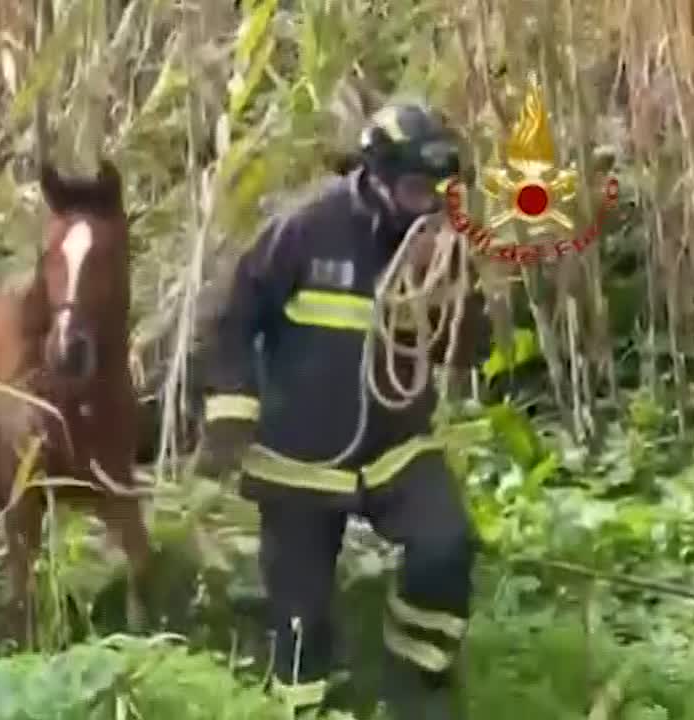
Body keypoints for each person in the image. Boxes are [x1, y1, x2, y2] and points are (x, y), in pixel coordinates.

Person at [193, 102, 492, 719]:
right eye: (414, 189)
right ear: (376, 177)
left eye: (437, 193)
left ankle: (416, 684)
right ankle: (303, 707)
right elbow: (229, 319)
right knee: (301, 628)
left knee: (447, 544)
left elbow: (471, 348)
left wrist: (441, 293)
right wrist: (232, 408)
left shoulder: (440, 247)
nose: (426, 206)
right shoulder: (305, 228)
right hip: (298, 460)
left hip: (394, 447)